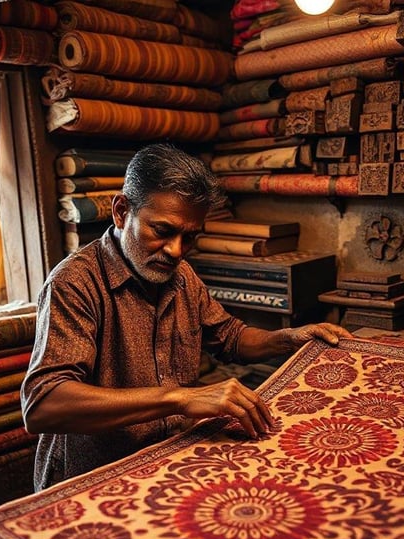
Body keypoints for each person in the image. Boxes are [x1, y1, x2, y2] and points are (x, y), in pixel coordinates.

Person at [22, 143, 351, 491]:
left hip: (169, 464)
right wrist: (179, 397)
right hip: (96, 480)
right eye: (162, 231)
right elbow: (44, 403)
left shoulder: (181, 277)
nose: (176, 250)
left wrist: (286, 339)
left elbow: (230, 337)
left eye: (190, 237)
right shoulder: (75, 283)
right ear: (121, 211)